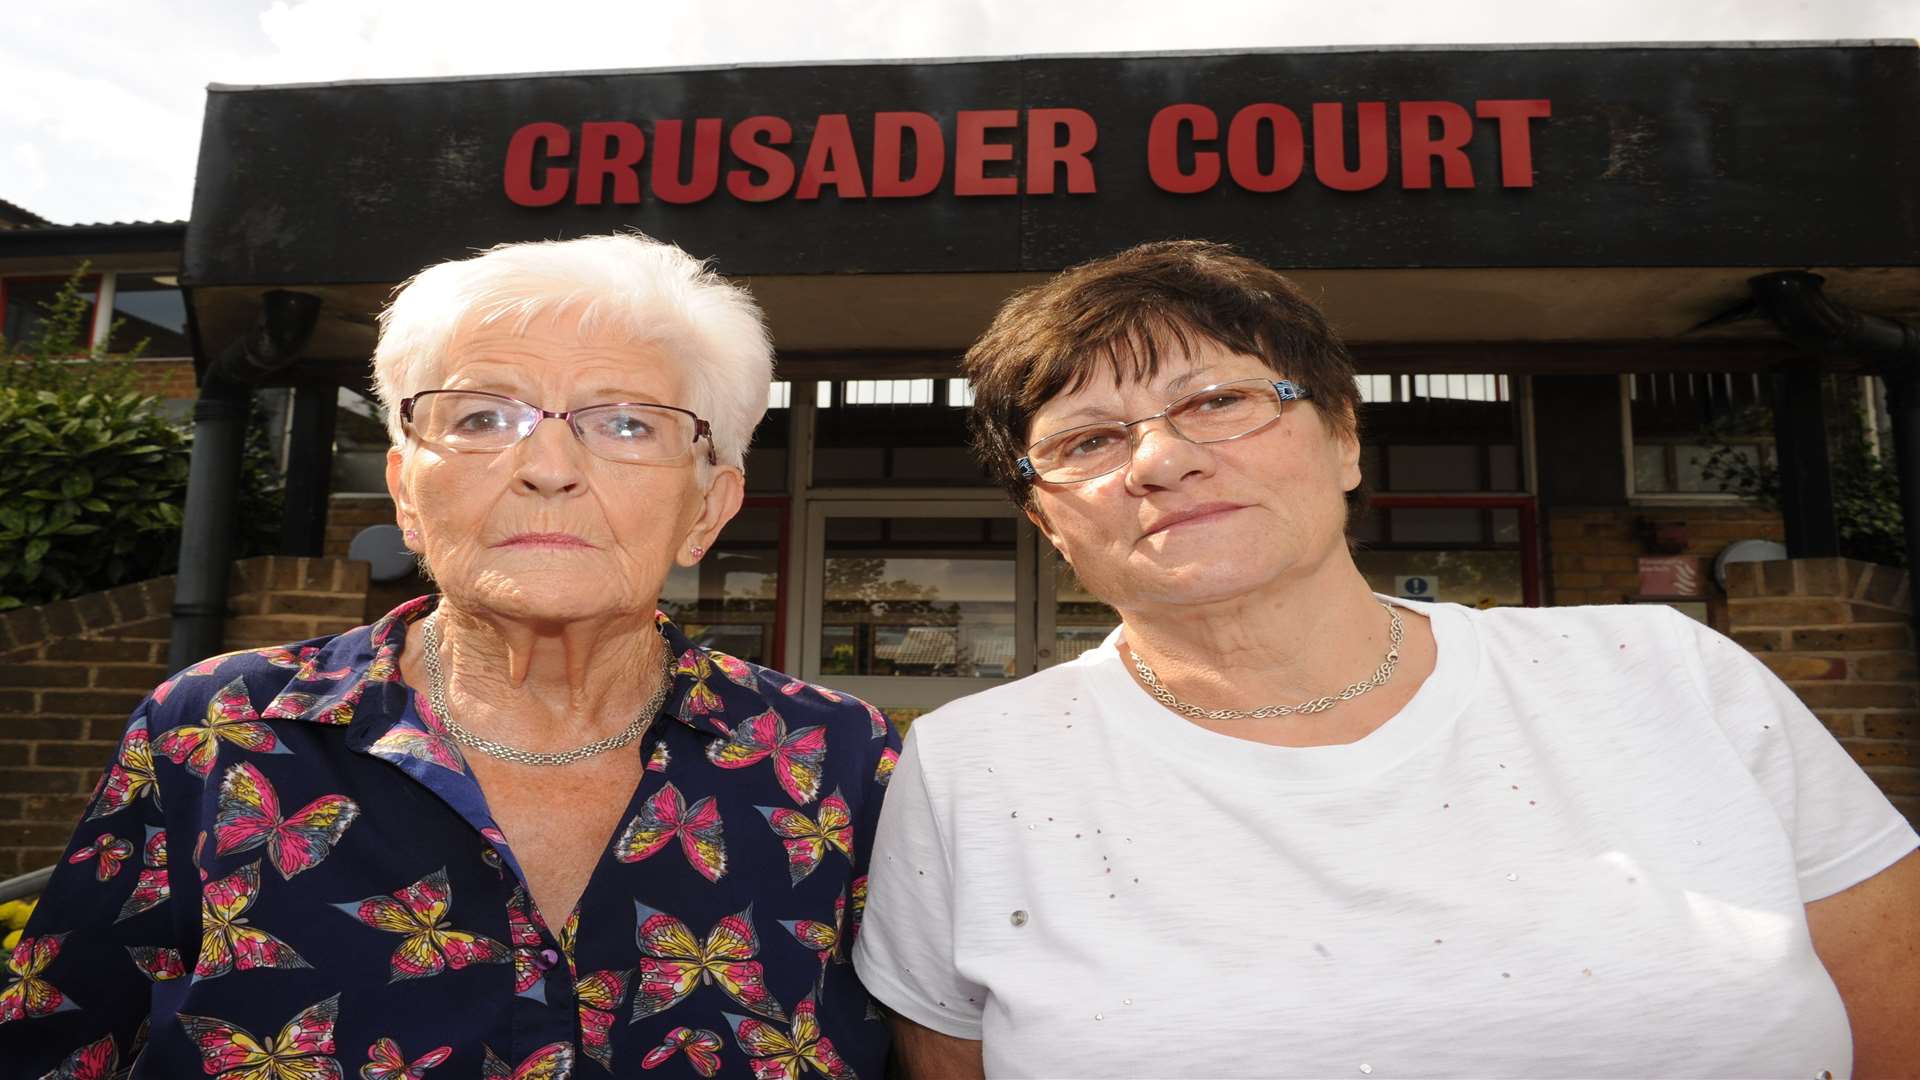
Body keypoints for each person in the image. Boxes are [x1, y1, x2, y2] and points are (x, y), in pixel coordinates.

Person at [852, 240, 1920, 1078]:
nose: (1163, 460)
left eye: (1218, 400)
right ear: (1049, 524)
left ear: (1345, 438)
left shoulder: (1668, 676)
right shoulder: (973, 771)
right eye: (1086, 440)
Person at [0, 233, 898, 1079]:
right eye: (481, 416)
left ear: (708, 508)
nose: (549, 465)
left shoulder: (841, 762)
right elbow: (54, 1043)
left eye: (627, 424)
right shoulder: (220, 728)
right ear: (406, 491)